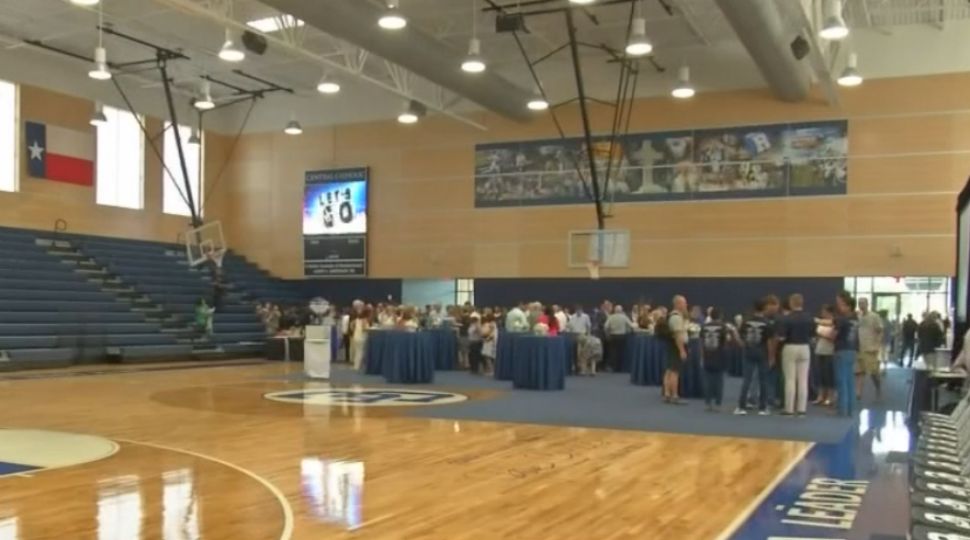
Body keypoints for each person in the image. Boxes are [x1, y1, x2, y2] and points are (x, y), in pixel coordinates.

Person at [777, 294, 815, 416]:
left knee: (790, 379)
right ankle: (802, 409)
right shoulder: (809, 318)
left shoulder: (787, 318)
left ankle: (789, 408)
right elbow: (813, 336)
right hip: (805, 347)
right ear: (802, 303)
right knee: (803, 380)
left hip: (790, 347)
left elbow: (781, 337)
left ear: (791, 303)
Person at [735, 298, 773, 415]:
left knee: (747, 380)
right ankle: (763, 408)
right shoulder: (767, 323)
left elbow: (739, 334)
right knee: (763, 381)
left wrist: (742, 345)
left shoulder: (746, 321)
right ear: (764, 308)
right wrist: (771, 356)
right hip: (762, 353)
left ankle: (741, 407)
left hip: (749, 352)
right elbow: (769, 341)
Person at [700, 308, 731, 412]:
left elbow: (701, 342)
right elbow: (726, 341)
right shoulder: (723, 327)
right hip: (719, 356)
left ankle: (708, 403)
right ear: (720, 316)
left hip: (707, 355)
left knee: (708, 381)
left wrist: (702, 356)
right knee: (719, 381)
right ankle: (718, 403)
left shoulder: (704, 327)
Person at [662, 295, 689, 405]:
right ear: (677, 304)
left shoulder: (671, 315)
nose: (686, 305)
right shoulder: (676, 317)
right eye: (684, 303)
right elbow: (678, 335)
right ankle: (674, 395)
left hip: (671, 345)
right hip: (675, 347)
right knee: (674, 371)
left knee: (669, 370)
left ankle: (667, 394)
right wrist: (682, 350)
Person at [855, 298, 883, 401]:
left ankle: (878, 388)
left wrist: (877, 345)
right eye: (859, 303)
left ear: (867, 304)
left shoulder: (874, 316)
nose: (861, 305)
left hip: (871, 348)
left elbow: (880, 330)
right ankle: (858, 392)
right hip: (860, 348)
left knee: (873, 373)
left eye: (863, 303)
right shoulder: (858, 317)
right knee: (859, 371)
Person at [813, 305, 836, 407]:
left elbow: (832, 337)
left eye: (824, 311)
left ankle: (830, 397)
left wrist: (822, 334)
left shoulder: (834, 323)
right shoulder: (821, 322)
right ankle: (820, 396)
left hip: (830, 352)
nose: (822, 313)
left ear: (829, 312)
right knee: (819, 375)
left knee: (829, 376)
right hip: (820, 350)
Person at [604, 305, 634, 372]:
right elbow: (631, 325)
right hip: (622, 336)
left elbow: (605, 327)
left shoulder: (611, 317)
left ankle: (614, 367)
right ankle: (620, 368)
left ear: (614, 310)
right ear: (621, 310)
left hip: (613, 336)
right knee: (621, 352)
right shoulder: (624, 317)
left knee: (613, 352)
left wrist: (607, 334)